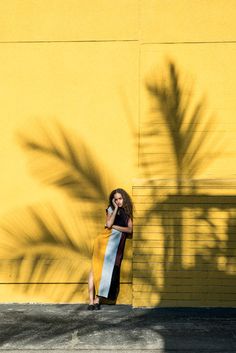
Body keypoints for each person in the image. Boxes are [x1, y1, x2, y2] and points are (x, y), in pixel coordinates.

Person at [87, 188, 133, 310]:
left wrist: (116, 227)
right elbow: (108, 224)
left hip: (114, 247)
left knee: (107, 273)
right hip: (103, 242)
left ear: (124, 198)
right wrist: (115, 208)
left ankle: (97, 299)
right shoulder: (111, 209)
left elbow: (129, 230)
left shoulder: (127, 214)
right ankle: (91, 302)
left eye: (120, 199)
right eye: (116, 199)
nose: (118, 201)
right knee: (95, 269)